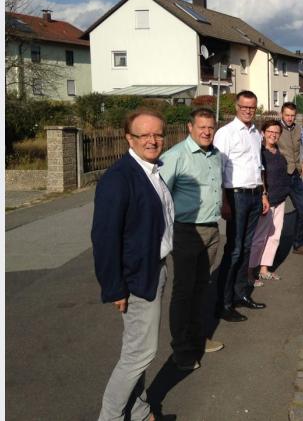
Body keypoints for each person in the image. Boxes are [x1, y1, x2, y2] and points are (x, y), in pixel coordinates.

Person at [92, 108, 174, 421]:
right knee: (140, 353)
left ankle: (139, 411)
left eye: (158, 134)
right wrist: (115, 287)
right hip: (138, 277)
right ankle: (110, 416)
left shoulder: (150, 169)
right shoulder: (119, 178)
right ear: (129, 138)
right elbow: (104, 238)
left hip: (156, 268)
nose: (153, 140)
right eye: (145, 135)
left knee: (136, 350)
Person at [159, 107, 224, 371]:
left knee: (201, 287)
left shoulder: (215, 155)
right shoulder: (175, 156)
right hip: (186, 231)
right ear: (190, 127)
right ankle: (182, 350)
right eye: (202, 127)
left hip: (211, 230)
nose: (207, 132)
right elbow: (160, 196)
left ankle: (198, 338)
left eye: (211, 127)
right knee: (184, 291)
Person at [213, 91, 269, 322]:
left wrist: (264, 193)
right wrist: (224, 201)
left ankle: (240, 294)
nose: (248, 110)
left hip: (255, 195)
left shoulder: (256, 134)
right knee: (234, 249)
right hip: (235, 196)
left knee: (247, 248)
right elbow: (217, 169)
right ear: (236, 107)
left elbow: (259, 166)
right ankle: (224, 303)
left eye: (252, 107)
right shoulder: (225, 133)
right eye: (244, 107)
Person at [249, 120, 293, 283]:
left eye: (276, 132)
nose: (273, 135)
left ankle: (264, 268)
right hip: (266, 201)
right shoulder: (259, 153)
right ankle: (249, 271)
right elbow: (258, 177)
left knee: (274, 236)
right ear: (263, 133)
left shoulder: (279, 152)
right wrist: (263, 196)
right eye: (270, 131)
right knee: (259, 237)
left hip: (280, 199)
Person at [277, 102, 303, 257]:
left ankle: (298, 244)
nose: (290, 118)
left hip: (295, 176)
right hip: (279, 177)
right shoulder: (275, 129)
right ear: (281, 114)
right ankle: (268, 247)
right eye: (287, 115)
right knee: (272, 214)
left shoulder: (299, 129)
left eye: (292, 115)